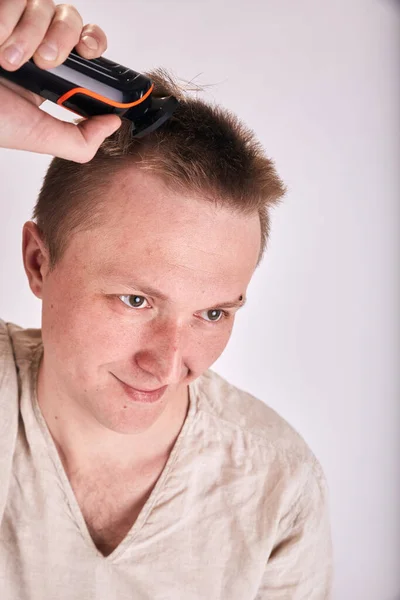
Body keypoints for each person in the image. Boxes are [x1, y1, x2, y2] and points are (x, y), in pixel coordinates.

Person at [0, 2, 333, 599]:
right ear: (38, 262)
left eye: (213, 313)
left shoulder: (279, 485)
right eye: (135, 299)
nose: (170, 362)